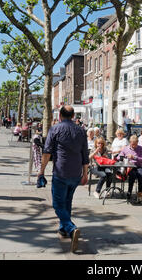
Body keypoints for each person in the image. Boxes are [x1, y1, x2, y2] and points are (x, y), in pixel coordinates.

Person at [37, 105, 89, 253]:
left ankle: (71, 228)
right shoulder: (81, 130)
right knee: (67, 202)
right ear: (73, 116)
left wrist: (41, 171)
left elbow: (47, 152)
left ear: (60, 115)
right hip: (76, 172)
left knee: (58, 204)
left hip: (61, 172)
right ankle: (63, 228)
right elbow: (85, 154)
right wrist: (85, 174)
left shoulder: (55, 129)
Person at [118, 135, 142, 200]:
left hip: (138, 166)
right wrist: (123, 158)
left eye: (135, 144)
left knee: (141, 174)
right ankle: (129, 191)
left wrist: (134, 157)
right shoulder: (126, 148)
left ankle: (140, 191)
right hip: (129, 167)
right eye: (132, 144)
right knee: (132, 175)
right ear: (130, 142)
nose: (133, 146)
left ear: (137, 142)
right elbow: (118, 157)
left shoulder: (140, 148)